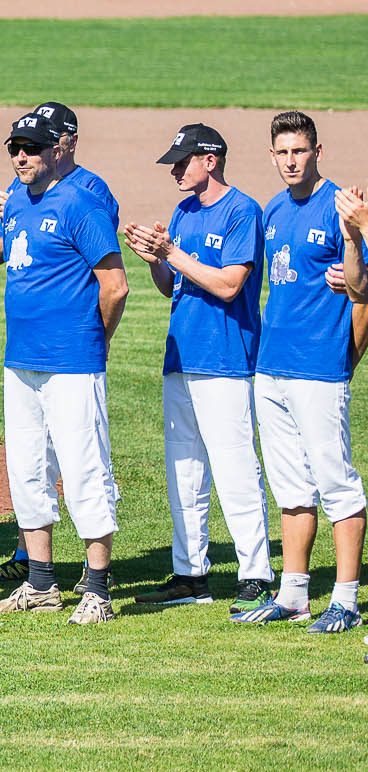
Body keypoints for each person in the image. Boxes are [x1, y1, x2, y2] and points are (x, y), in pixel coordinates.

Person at [0, 110, 128, 626]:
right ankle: (41, 583)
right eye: (15, 148)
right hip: (21, 361)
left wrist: (95, 341)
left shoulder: (82, 202)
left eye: (32, 147)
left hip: (72, 362)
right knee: (26, 471)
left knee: (85, 471)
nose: (22, 156)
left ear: (58, 150)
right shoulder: (16, 200)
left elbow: (115, 284)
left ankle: (98, 590)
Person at [121, 124, 273, 610]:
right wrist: (153, 260)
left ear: (211, 160)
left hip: (226, 359)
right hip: (181, 356)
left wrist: (173, 254)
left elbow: (229, 285)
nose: (175, 170)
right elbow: (173, 286)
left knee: (234, 468)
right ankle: (190, 575)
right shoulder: (184, 212)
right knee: (183, 471)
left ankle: (255, 573)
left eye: (182, 161)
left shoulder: (242, 212)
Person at [235, 112, 364, 631]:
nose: (291, 161)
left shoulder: (340, 209)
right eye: (282, 152)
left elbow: (361, 288)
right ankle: (293, 595)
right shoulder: (272, 210)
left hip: (318, 369)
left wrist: (354, 239)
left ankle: (348, 600)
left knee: (338, 485)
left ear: (318, 152)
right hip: (273, 368)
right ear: (272, 155)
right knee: (290, 487)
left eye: (300, 151)